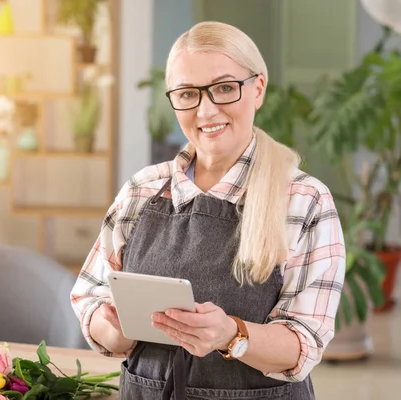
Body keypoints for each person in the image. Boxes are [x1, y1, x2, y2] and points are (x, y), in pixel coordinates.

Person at [70, 21, 345, 400]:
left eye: (224, 88)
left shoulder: (304, 200)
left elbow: (303, 344)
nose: (206, 110)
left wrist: (232, 335)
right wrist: (115, 328)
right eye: (187, 94)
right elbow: (90, 297)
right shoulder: (141, 190)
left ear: (258, 88)